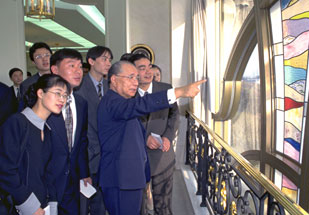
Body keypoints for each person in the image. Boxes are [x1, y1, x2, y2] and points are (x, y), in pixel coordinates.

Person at [97, 60, 206, 215]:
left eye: (136, 78)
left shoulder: (124, 101)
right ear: (113, 79)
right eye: (130, 77)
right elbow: (142, 105)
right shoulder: (113, 102)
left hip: (131, 177)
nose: (135, 82)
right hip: (121, 180)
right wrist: (179, 92)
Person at [0, 74, 71, 215]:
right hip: (21, 206)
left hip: (43, 206)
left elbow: (48, 173)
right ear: (40, 93)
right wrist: (29, 205)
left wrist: (52, 203)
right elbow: (6, 170)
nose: (62, 99)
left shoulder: (47, 130)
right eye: (57, 93)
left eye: (65, 95)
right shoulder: (17, 123)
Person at [130, 54, 178, 215]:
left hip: (162, 154)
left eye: (149, 66)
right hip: (136, 156)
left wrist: (168, 136)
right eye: (142, 68)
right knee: (138, 204)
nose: (148, 71)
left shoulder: (165, 89)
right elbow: (125, 123)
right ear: (132, 71)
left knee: (163, 204)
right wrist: (144, 138)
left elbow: (174, 115)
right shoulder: (127, 93)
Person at [47, 48, 91, 215]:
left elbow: (81, 141)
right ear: (55, 70)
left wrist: (84, 173)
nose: (78, 71)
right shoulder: (42, 101)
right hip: (47, 181)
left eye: (80, 66)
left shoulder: (81, 103)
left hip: (72, 180)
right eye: (71, 66)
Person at [76, 46, 113, 215]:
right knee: (84, 203)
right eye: (104, 59)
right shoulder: (79, 87)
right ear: (91, 61)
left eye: (110, 60)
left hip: (109, 155)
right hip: (88, 154)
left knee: (102, 202)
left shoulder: (111, 86)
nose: (108, 63)